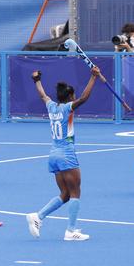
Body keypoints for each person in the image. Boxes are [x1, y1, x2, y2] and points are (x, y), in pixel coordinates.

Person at [25, 67, 101, 241]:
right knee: (75, 193)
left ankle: (38, 216)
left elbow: (43, 95)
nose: (74, 98)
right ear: (69, 97)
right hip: (67, 154)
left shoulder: (51, 106)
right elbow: (84, 98)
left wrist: (36, 80)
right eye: (72, 96)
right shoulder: (68, 108)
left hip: (53, 156)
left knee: (65, 194)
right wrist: (93, 77)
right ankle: (71, 231)